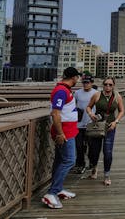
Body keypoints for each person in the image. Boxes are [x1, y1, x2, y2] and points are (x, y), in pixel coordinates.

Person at [42, 67, 81, 209]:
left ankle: (57, 189)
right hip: (64, 133)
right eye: (78, 77)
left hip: (68, 130)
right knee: (70, 160)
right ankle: (51, 193)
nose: (78, 80)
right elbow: (55, 113)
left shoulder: (64, 90)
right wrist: (59, 133)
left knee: (60, 160)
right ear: (74, 77)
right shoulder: (61, 91)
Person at [86, 76, 125, 186]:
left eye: (110, 85)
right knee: (94, 151)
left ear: (113, 86)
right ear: (103, 85)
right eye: (106, 84)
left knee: (107, 152)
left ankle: (107, 175)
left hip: (110, 127)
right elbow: (88, 107)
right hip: (97, 126)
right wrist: (91, 114)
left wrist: (116, 121)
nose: (107, 87)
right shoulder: (97, 95)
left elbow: (122, 111)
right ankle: (94, 167)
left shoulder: (117, 96)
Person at [73, 74, 97, 174]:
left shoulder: (96, 93)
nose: (86, 84)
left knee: (91, 146)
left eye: (88, 82)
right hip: (79, 124)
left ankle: (92, 163)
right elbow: (73, 106)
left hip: (91, 124)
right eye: (84, 82)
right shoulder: (77, 93)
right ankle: (80, 164)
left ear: (92, 83)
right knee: (79, 146)